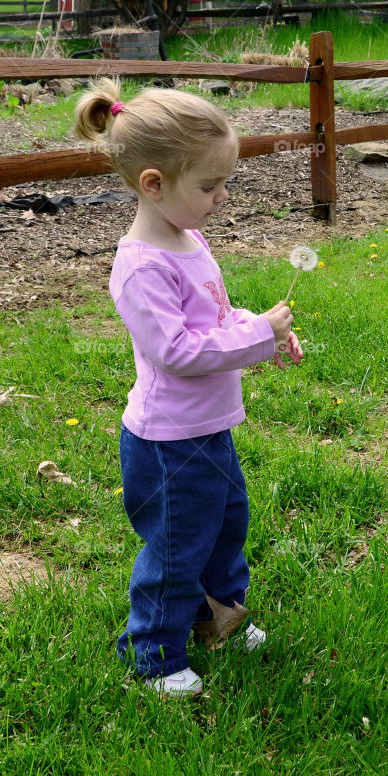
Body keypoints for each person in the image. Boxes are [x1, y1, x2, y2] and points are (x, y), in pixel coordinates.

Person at [75, 80, 304, 696]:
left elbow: (213, 319)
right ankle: (151, 651)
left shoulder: (189, 240)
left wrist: (265, 336)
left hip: (210, 429)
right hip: (169, 442)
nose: (222, 198)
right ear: (154, 184)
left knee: (227, 525)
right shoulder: (141, 266)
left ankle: (218, 614)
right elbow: (175, 352)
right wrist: (255, 335)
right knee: (177, 544)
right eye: (209, 186)